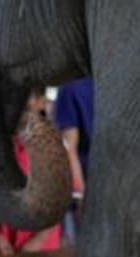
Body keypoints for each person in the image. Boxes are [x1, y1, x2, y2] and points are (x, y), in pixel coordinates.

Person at [0, 89, 63, 257]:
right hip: (5, 247)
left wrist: (40, 239)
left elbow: (59, 197)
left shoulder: (50, 147)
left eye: (25, 104)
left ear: (39, 102)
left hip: (41, 248)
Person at [53, 77, 92, 239]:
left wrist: (80, 194)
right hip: (98, 186)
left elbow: (69, 147)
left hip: (96, 186)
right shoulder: (71, 88)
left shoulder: (69, 88)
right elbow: (70, 148)